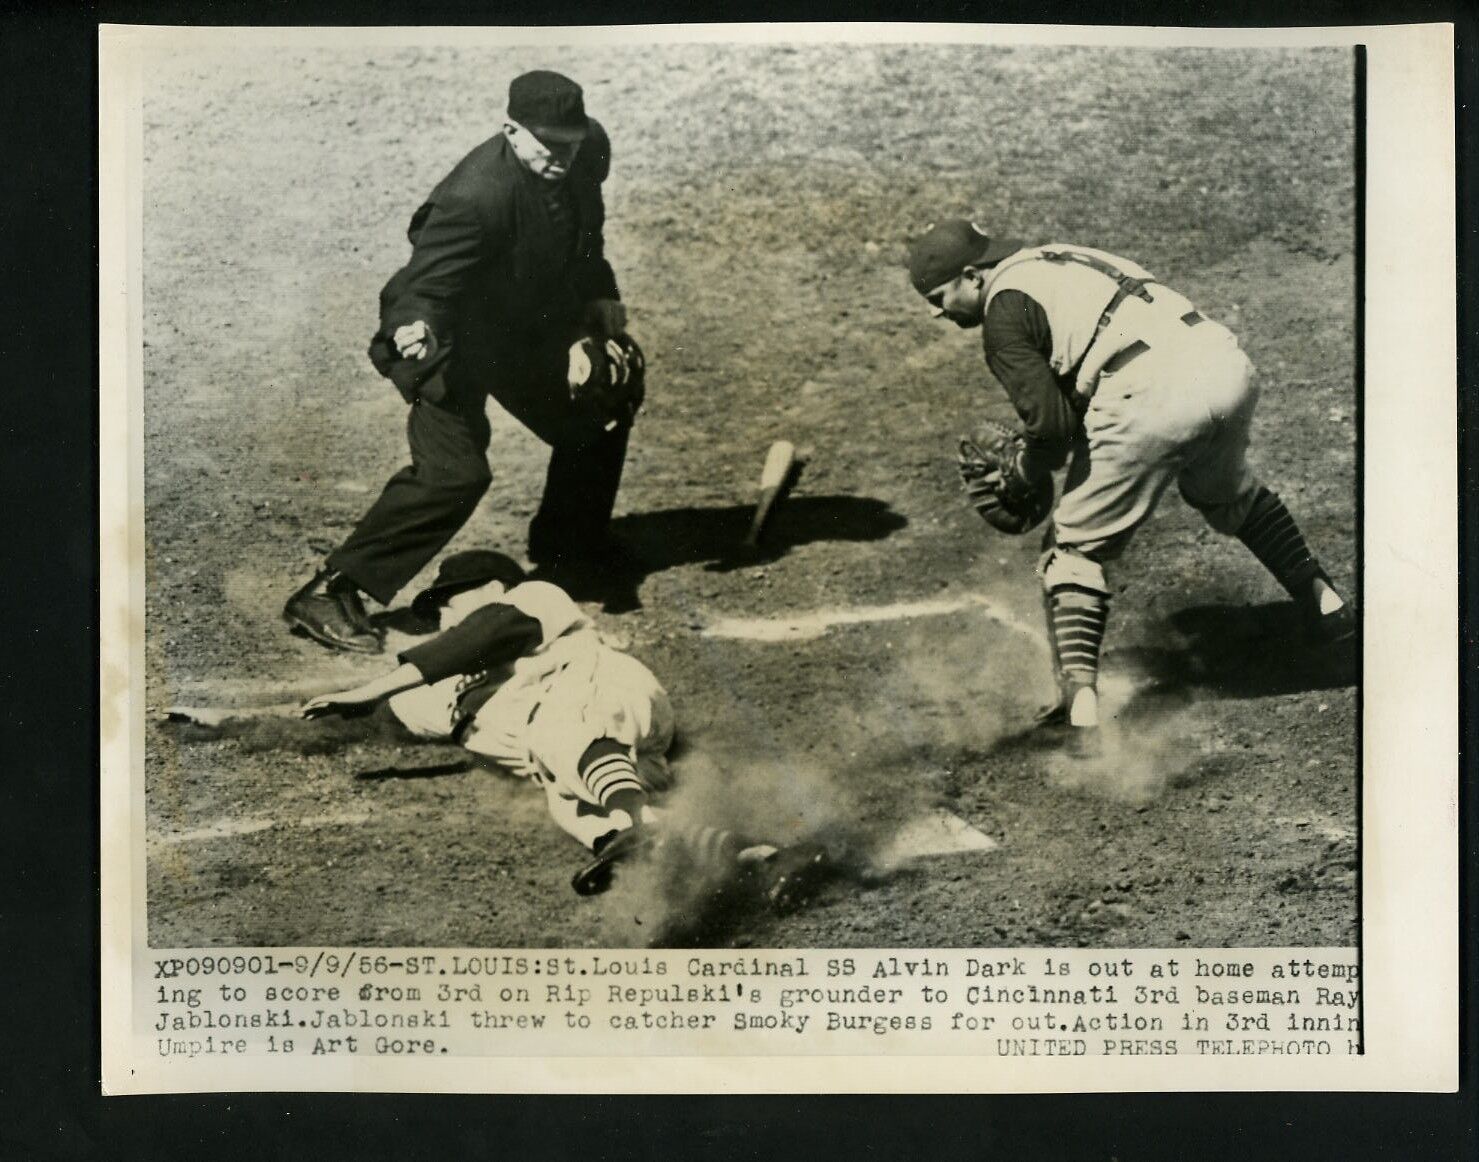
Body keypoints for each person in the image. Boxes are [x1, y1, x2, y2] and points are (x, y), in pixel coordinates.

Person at [906, 219, 1355, 745]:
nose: (937, 312)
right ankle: (1327, 606)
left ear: (972, 275)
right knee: (1224, 491)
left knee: (1072, 547)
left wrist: (1026, 467)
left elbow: (1052, 429)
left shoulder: (1003, 316)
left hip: (1151, 393)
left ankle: (1080, 713)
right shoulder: (1058, 255)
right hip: (1223, 364)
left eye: (939, 297)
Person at [285, 70, 643, 654]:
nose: (561, 155)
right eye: (546, 144)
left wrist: (596, 300)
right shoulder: (475, 197)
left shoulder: (584, 150)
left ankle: (568, 553)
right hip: (448, 340)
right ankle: (330, 589)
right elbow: (425, 286)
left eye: (570, 142)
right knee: (456, 475)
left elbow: (584, 234)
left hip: (520, 331)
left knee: (602, 402)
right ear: (511, 130)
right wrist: (415, 330)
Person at [298, 550, 829, 906]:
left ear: (492, 586)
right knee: (573, 808)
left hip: (601, 699)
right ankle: (762, 859)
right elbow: (383, 719)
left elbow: (479, 635)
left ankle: (634, 823)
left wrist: (370, 689)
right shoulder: (445, 693)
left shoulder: (533, 599)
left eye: (449, 599)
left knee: (560, 733)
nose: (442, 615)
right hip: (591, 763)